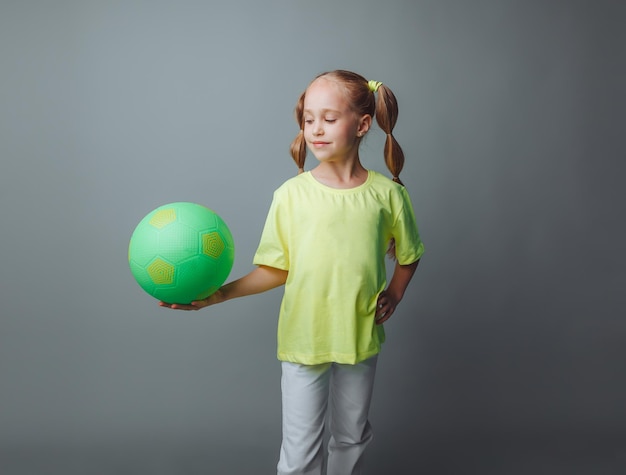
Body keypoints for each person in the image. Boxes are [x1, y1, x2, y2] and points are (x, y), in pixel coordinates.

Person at [160, 69, 425, 475]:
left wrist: (396, 293)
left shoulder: (387, 194)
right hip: (304, 337)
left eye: (329, 119)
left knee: (351, 436)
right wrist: (218, 295)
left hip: (360, 334)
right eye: (308, 119)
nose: (315, 129)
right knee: (300, 453)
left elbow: (409, 254)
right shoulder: (291, 195)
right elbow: (274, 270)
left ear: (362, 124)